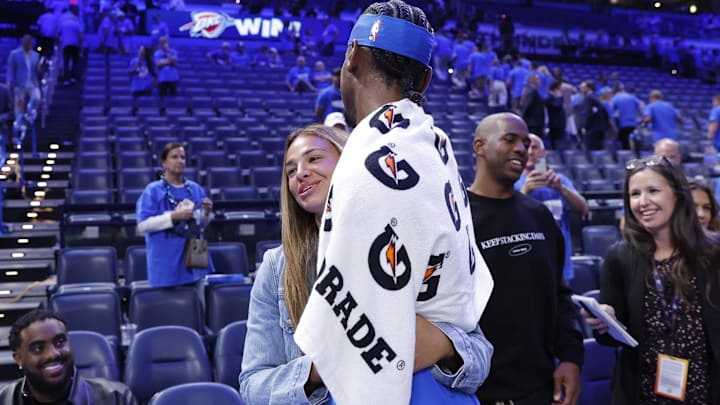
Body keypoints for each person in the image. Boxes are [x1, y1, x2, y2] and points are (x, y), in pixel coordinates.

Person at [293, 1, 495, 404]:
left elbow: (344, 336)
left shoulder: (366, 160)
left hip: (400, 390)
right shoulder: (437, 148)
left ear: (352, 56)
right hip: (449, 387)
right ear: (426, 79)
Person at [240, 125, 493, 405]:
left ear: (353, 160)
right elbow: (253, 387)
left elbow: (480, 356)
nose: (300, 173)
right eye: (290, 170)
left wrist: (442, 345)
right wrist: (321, 367)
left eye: (313, 159)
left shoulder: (417, 240)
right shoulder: (277, 268)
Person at [468, 112, 584, 405]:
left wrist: (571, 357)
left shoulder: (539, 215)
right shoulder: (456, 219)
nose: (522, 148)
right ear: (480, 146)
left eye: (525, 141)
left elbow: (559, 295)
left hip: (539, 387)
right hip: (477, 391)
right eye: (510, 140)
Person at [586, 155, 720, 404]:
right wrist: (607, 321)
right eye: (634, 194)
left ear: (677, 195)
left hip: (708, 391)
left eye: (653, 191)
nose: (643, 202)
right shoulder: (619, 256)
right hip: (644, 392)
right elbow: (609, 338)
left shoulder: (713, 252)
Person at [0, 309, 138, 404]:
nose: (53, 354)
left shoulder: (116, 397)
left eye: (60, 342)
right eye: (38, 348)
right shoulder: (5, 399)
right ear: (18, 358)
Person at [136, 142, 215, 288]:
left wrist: (206, 213)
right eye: (174, 157)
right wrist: (173, 216)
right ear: (164, 163)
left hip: (194, 262)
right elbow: (142, 226)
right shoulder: (152, 191)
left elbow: (201, 224)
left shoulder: (195, 188)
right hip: (165, 265)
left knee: (196, 308)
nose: (180, 161)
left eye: (183, 157)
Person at [516, 133, 589, 283]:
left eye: (535, 147)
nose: (530, 152)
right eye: (527, 147)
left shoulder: (560, 180)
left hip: (559, 261)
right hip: (528, 259)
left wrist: (561, 188)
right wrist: (526, 191)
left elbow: (583, 209)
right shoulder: (514, 182)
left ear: (544, 153)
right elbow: (507, 218)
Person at [6, 35, 41, 117]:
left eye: (30, 43)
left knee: (37, 98)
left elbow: (37, 69)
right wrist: (9, 80)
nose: (28, 44)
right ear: (23, 43)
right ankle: (19, 123)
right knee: (19, 104)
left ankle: (30, 116)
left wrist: (40, 70)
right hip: (20, 84)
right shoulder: (14, 54)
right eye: (26, 43)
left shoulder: (35, 55)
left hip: (33, 83)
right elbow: (11, 68)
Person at [575, 80, 610, 152]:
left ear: (589, 88)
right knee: (600, 153)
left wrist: (585, 127)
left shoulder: (588, 98)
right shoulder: (596, 98)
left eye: (583, 87)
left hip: (591, 130)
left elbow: (589, 114)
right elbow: (605, 114)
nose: (580, 89)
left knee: (591, 154)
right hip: (600, 129)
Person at [611, 86, 644, 150]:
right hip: (633, 123)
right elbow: (641, 104)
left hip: (623, 123)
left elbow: (611, 111)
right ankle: (635, 154)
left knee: (625, 141)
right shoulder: (631, 97)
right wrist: (642, 116)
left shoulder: (615, 98)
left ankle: (628, 156)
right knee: (632, 139)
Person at [58, 6, 84, 86]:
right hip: (75, 45)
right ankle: (72, 77)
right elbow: (80, 36)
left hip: (65, 45)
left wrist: (60, 41)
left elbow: (58, 34)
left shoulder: (63, 24)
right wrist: (81, 45)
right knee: (74, 62)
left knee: (66, 62)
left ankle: (66, 79)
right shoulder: (77, 24)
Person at [520, 73, 545, 138]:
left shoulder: (533, 91)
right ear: (533, 80)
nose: (539, 81)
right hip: (534, 124)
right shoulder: (532, 91)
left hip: (535, 123)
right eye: (538, 79)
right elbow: (527, 106)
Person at [546, 81, 566, 149]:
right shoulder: (550, 98)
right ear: (556, 89)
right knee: (556, 144)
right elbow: (557, 106)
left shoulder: (555, 98)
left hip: (559, 124)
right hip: (554, 124)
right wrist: (559, 97)